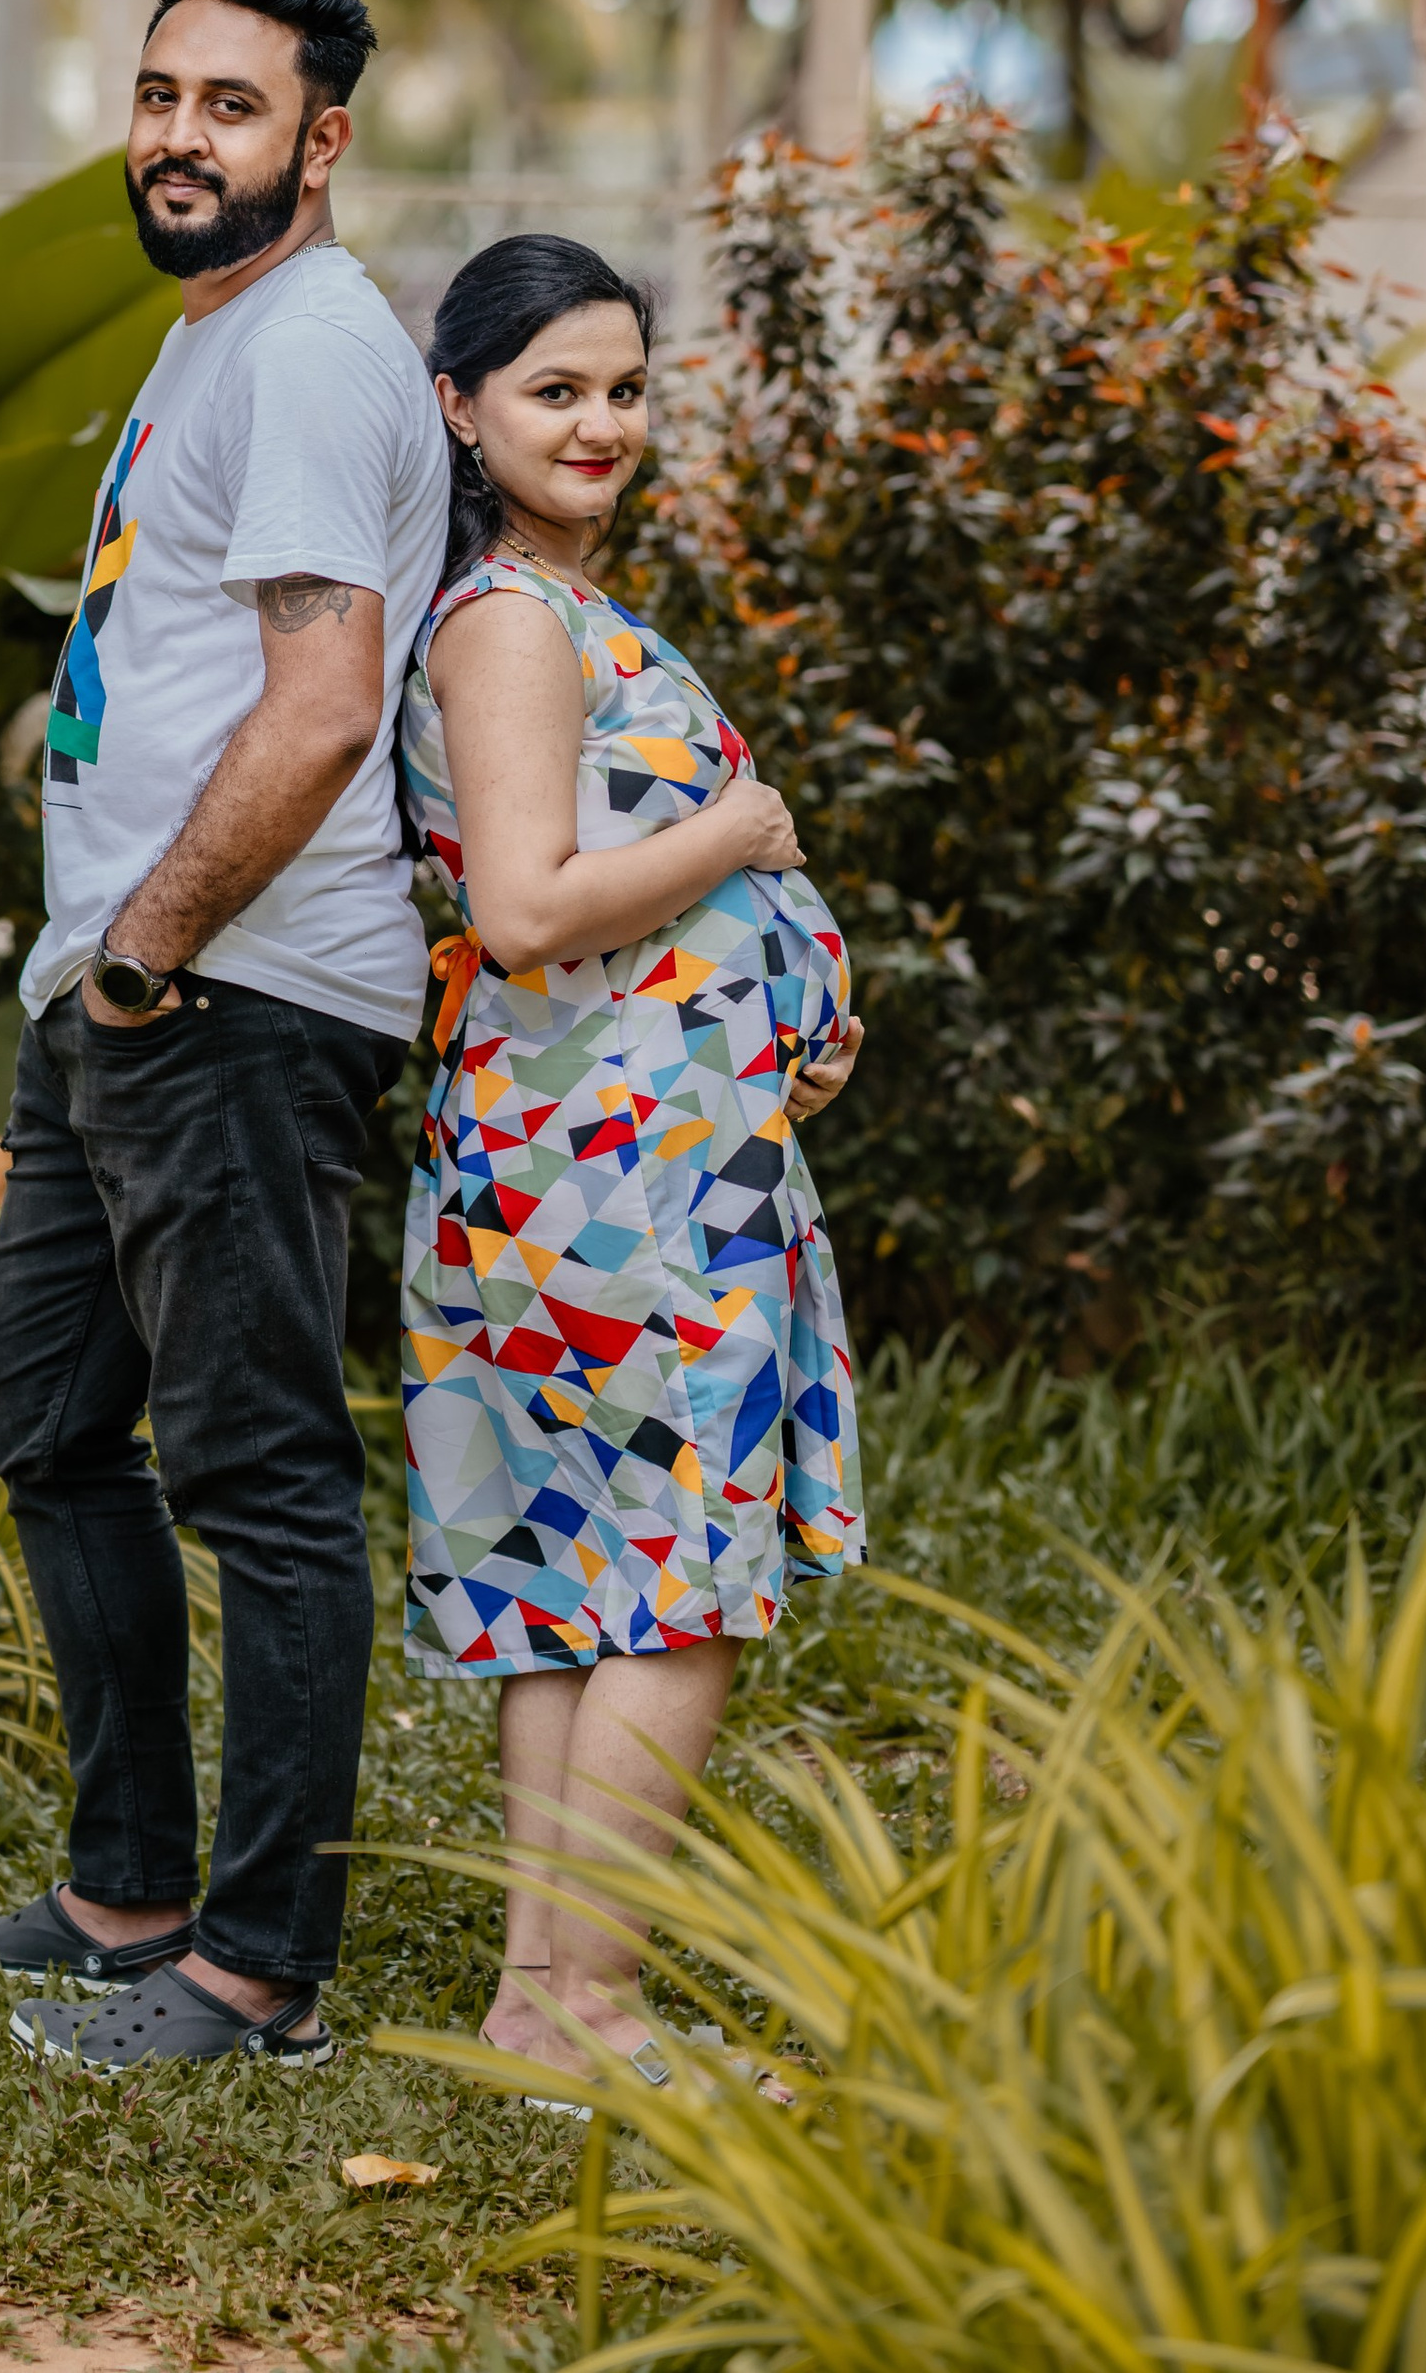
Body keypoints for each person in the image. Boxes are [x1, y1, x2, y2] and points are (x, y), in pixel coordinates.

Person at [0, 0, 448, 2074]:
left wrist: (144, 950)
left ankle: (246, 1975)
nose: (173, 135)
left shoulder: (312, 348)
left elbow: (320, 700)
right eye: (157, 93)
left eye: (227, 106)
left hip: (223, 991)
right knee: (43, 1415)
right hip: (123, 991)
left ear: (318, 142)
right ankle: (126, 1886)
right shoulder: (212, 337)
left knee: (260, 1479)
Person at [397, 233, 866, 2093]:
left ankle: (546, 2002)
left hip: (609, 1160)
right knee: (681, 1587)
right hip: (624, 1182)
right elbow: (526, 908)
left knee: (579, 1583)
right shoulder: (514, 620)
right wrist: (744, 826)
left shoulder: (553, 609)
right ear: (463, 407)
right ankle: (591, 2006)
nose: (601, 422)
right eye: (553, 390)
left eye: (625, 387)